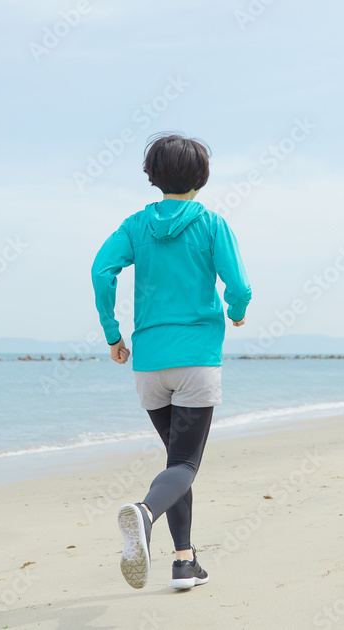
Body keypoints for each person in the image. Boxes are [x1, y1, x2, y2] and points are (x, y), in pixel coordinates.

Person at [90, 132, 252, 590]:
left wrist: (112, 334)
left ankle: (184, 562)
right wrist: (237, 313)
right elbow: (238, 287)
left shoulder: (135, 226)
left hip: (149, 365)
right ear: (201, 177)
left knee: (175, 463)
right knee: (183, 463)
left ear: (153, 176)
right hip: (196, 359)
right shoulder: (212, 224)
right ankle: (144, 515)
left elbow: (102, 271)